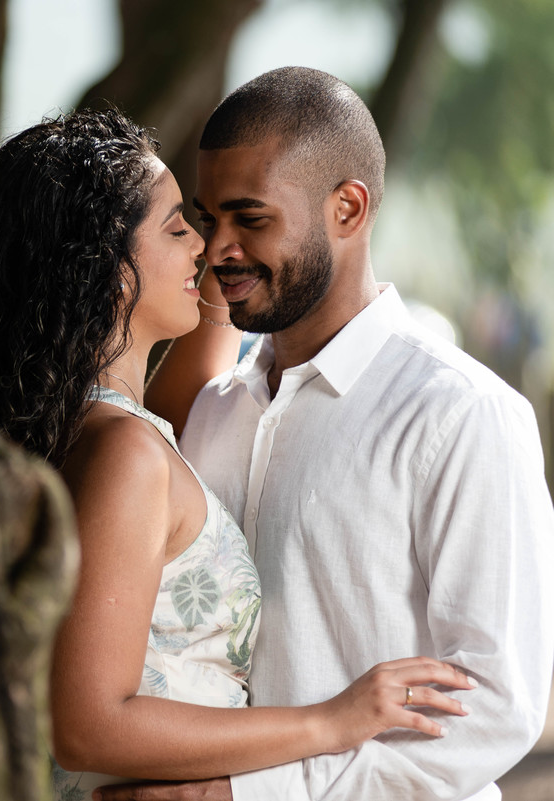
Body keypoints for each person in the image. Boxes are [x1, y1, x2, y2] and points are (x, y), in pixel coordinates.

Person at [0, 107, 474, 799]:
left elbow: (201, 367)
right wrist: (331, 720)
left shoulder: (107, 431)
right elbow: (88, 722)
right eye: (180, 226)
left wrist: (243, 254)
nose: (205, 243)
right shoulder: (125, 456)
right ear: (105, 269)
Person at [97, 67, 554, 800]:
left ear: (348, 207)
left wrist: (250, 794)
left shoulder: (463, 414)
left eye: (251, 218)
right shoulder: (215, 412)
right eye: (209, 219)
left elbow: (497, 706)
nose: (218, 250)